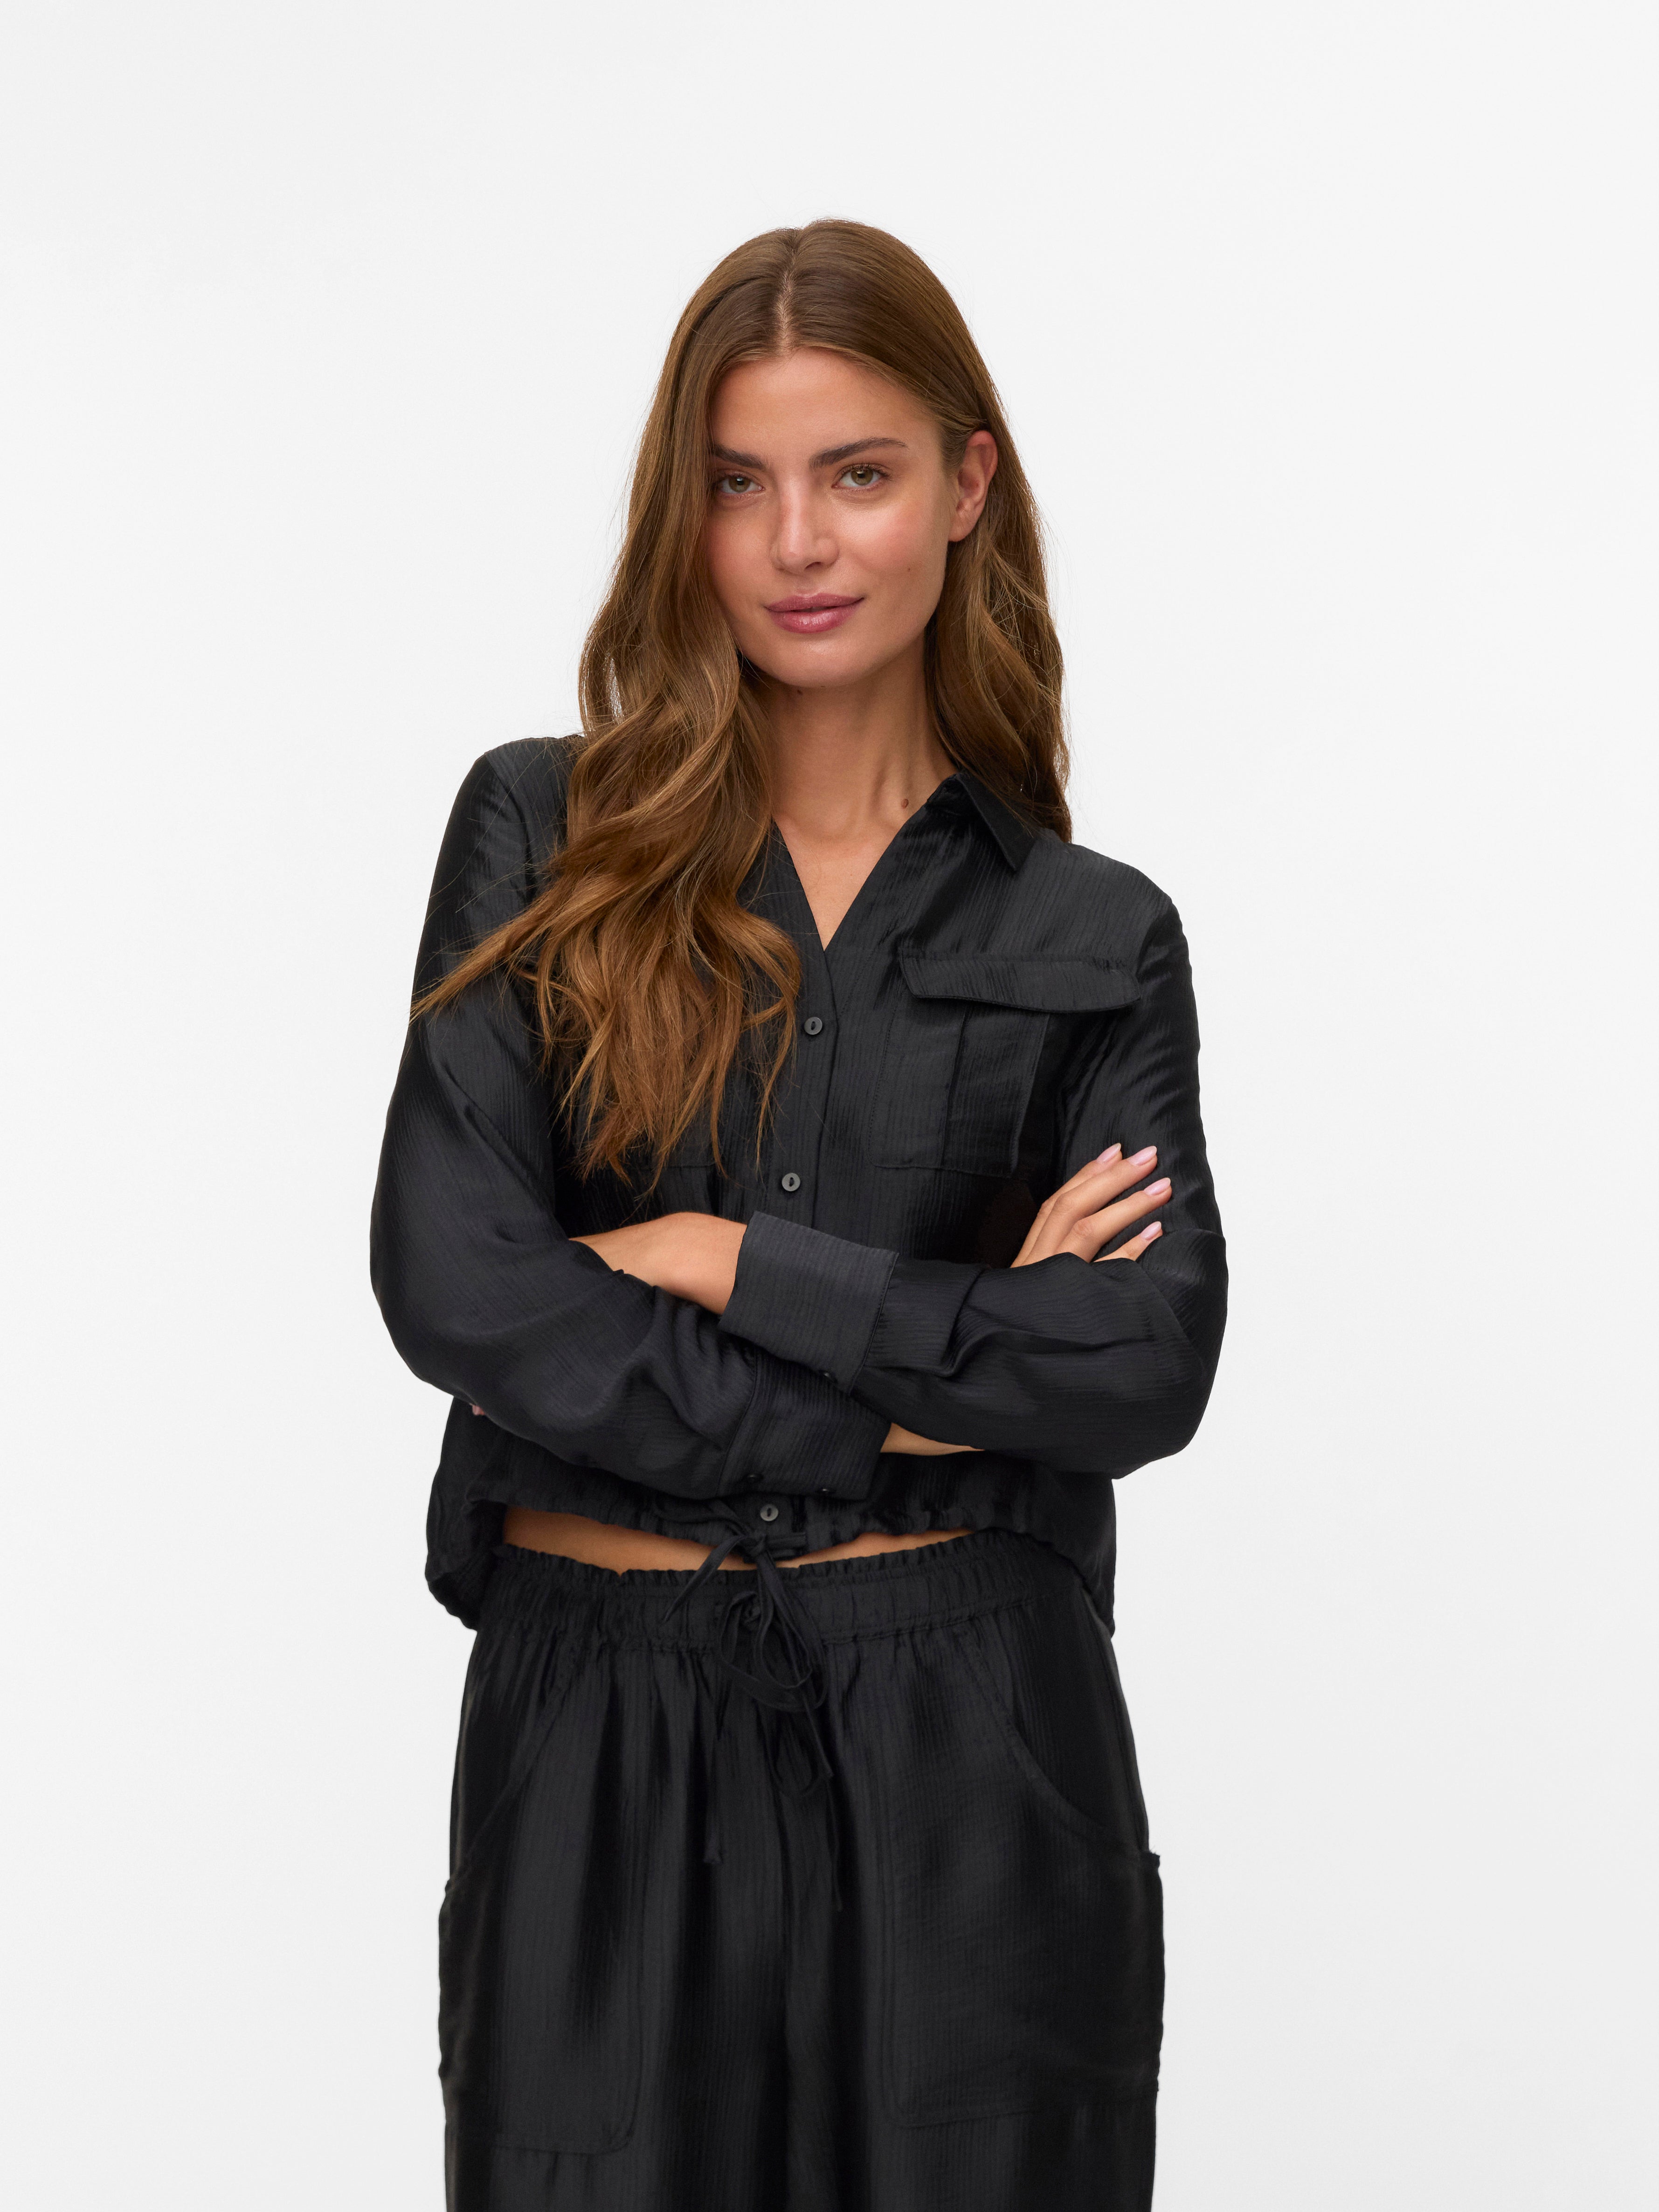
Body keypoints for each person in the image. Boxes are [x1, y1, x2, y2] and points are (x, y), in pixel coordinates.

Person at [371, 218, 1227, 2212]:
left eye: (855, 473)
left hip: (971, 1736)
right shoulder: (540, 835)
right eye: (736, 482)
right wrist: (923, 1384)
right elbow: (461, 1281)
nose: (796, 543)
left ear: (965, 484)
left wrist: (724, 1259)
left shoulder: (1094, 936)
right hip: (597, 1717)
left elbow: (1139, 1359)